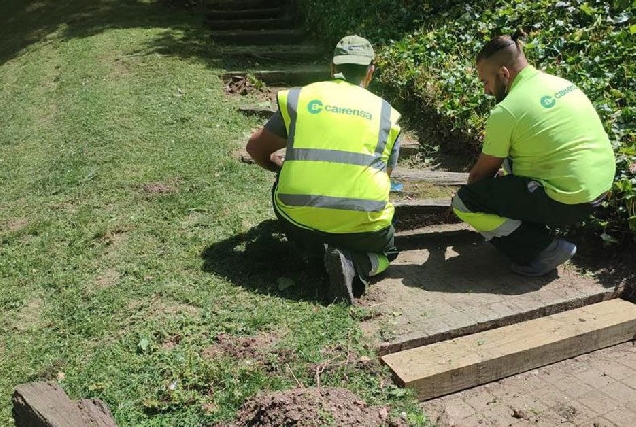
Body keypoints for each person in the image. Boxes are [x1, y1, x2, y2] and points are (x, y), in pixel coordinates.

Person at [245, 35, 402, 303]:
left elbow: (255, 148)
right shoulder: (387, 114)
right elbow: (383, 179)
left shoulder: (300, 98)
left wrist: (279, 168)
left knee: (297, 210)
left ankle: (314, 252)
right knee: (388, 252)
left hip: (300, 221)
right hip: (363, 227)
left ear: (332, 67)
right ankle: (360, 263)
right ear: (370, 72)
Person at [452, 29, 616, 276]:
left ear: (504, 73)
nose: (485, 90)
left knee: (465, 202)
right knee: (513, 159)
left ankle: (546, 249)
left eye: (485, 81)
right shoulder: (562, 84)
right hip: (601, 189)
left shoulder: (507, 111)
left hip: (568, 200)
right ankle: (534, 227)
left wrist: (486, 203)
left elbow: (478, 180)